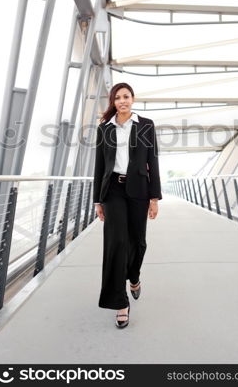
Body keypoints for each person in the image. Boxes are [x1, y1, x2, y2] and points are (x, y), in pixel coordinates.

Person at [93, 82, 162, 329]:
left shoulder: (145, 125)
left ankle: (134, 276)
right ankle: (120, 303)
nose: (122, 101)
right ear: (113, 101)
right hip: (112, 190)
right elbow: (99, 165)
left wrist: (154, 198)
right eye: (117, 97)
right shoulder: (105, 129)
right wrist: (98, 201)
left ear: (133, 99)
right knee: (116, 243)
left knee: (138, 241)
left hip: (139, 190)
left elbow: (152, 160)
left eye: (126, 96)